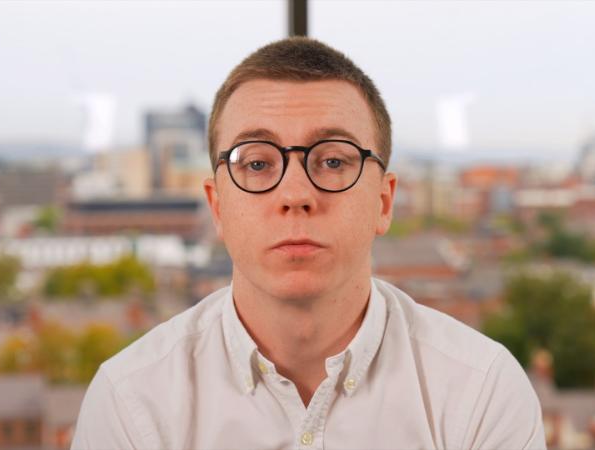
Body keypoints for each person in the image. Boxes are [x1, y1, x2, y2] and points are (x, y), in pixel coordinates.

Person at [71, 37, 545, 450]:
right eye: (257, 164)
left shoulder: (481, 392)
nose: (296, 195)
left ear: (383, 202)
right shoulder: (131, 400)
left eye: (333, 161)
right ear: (217, 207)